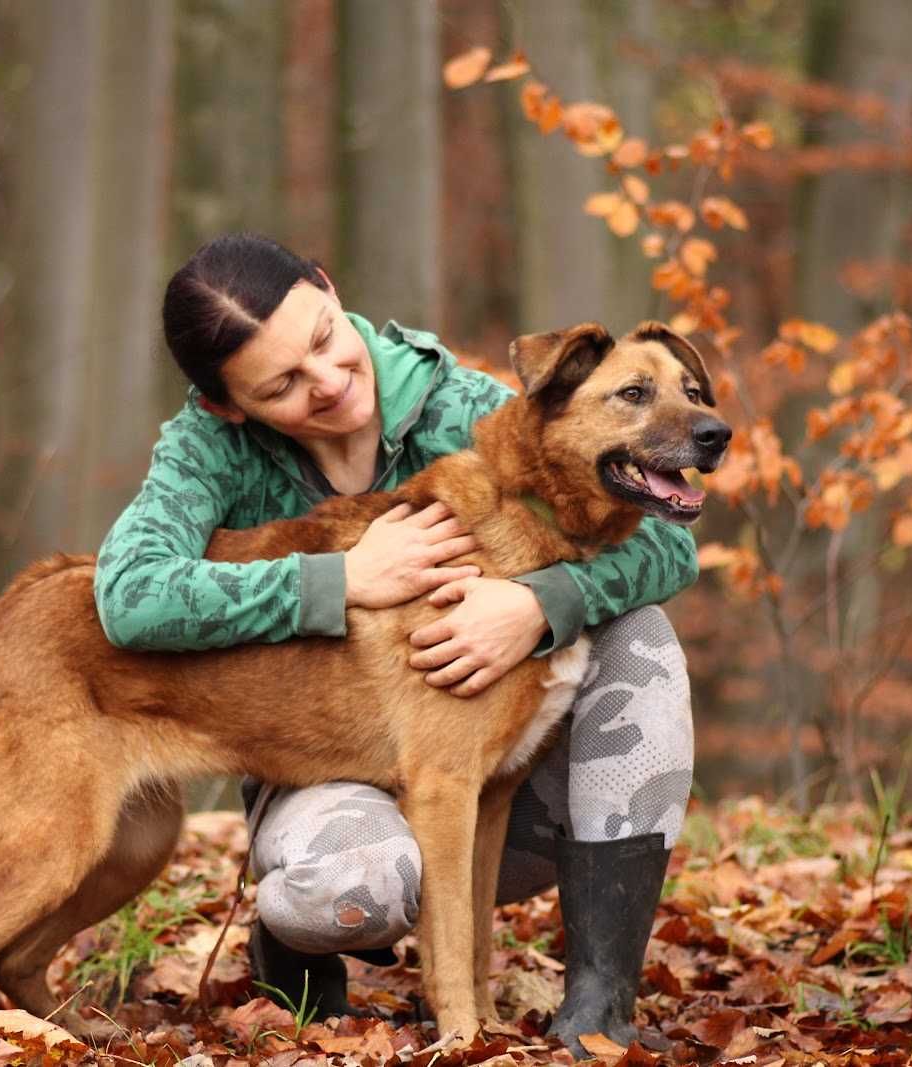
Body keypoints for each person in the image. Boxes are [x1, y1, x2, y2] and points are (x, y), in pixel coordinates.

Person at [94, 233, 697, 1052]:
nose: (329, 380)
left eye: (322, 338)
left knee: (642, 640)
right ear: (229, 404)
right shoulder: (208, 450)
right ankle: (298, 951)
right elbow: (130, 597)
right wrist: (339, 582)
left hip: (491, 786)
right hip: (319, 777)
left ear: (329, 285)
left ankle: (601, 1003)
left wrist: (540, 601)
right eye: (284, 384)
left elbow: (670, 545)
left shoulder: (465, 404)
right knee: (349, 882)